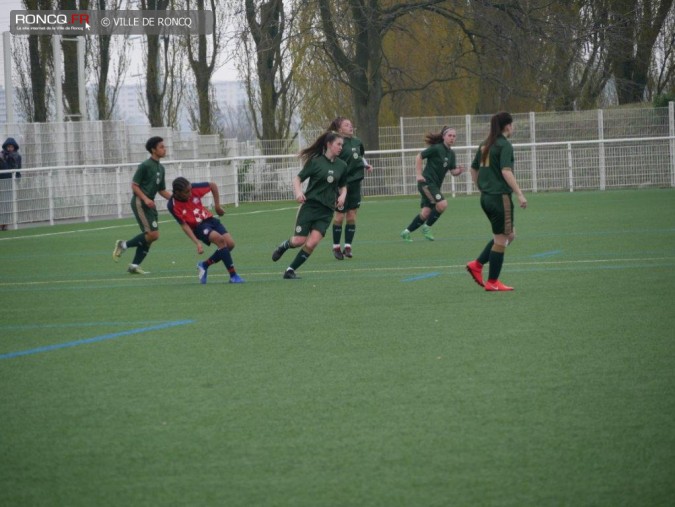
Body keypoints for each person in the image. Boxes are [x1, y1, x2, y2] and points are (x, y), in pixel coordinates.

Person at [271, 131, 348, 279]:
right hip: (310, 207)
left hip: (326, 211)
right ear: (329, 145)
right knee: (298, 241)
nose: (341, 148)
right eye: (338, 144)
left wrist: (343, 195)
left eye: (342, 145)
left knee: (312, 243)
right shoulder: (316, 161)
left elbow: (343, 185)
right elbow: (297, 179)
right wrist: (299, 193)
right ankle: (284, 246)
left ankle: (290, 270)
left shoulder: (342, 165)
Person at [466, 112, 527, 292]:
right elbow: (506, 172)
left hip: (486, 198)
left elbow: (473, 169)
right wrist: (520, 194)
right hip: (500, 197)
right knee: (502, 239)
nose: (513, 127)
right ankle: (492, 281)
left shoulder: (485, 144)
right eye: (512, 124)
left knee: (509, 235)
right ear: (507, 126)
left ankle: (477, 264)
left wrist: (483, 188)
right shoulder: (504, 145)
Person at [112, 136, 172, 274]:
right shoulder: (145, 165)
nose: (164, 149)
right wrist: (145, 199)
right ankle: (123, 245)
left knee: (149, 238)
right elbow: (134, 185)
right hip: (140, 202)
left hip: (150, 204)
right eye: (161, 147)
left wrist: (175, 199)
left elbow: (161, 190)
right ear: (153, 150)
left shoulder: (161, 168)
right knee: (153, 234)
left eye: (164, 146)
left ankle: (134, 266)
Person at [168, 177, 244, 284]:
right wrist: (197, 243)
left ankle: (204, 265)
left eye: (190, 190)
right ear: (177, 192)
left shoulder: (192, 188)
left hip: (210, 219)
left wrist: (217, 206)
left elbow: (212, 185)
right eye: (186, 192)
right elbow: (184, 225)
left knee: (230, 244)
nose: (190, 194)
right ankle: (233, 275)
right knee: (220, 240)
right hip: (198, 227)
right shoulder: (172, 205)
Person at [400, 126, 464, 242]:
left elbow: (452, 171)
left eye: (454, 136)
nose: (452, 138)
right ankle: (427, 227)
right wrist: (419, 174)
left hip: (434, 185)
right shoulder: (437, 148)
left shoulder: (452, 154)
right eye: (449, 135)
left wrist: (458, 171)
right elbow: (419, 156)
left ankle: (406, 232)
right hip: (426, 183)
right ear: (444, 136)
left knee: (426, 213)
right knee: (442, 204)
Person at [327, 117, 372, 260]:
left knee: (352, 215)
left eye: (351, 124)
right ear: (340, 129)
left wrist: (366, 165)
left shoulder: (358, 142)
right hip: (341, 185)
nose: (350, 126)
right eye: (346, 125)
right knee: (340, 216)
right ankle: (336, 247)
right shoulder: (338, 143)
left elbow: (360, 156)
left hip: (355, 184)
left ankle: (347, 246)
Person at [0, 137, 22, 231]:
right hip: (1, 181)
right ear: (5, 147)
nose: (10, 148)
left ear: (14, 147)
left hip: (10, 182)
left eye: (11, 147)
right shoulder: (1, 156)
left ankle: (4, 223)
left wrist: (17, 179)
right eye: (8, 146)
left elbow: (18, 169)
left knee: (7, 203)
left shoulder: (17, 156)